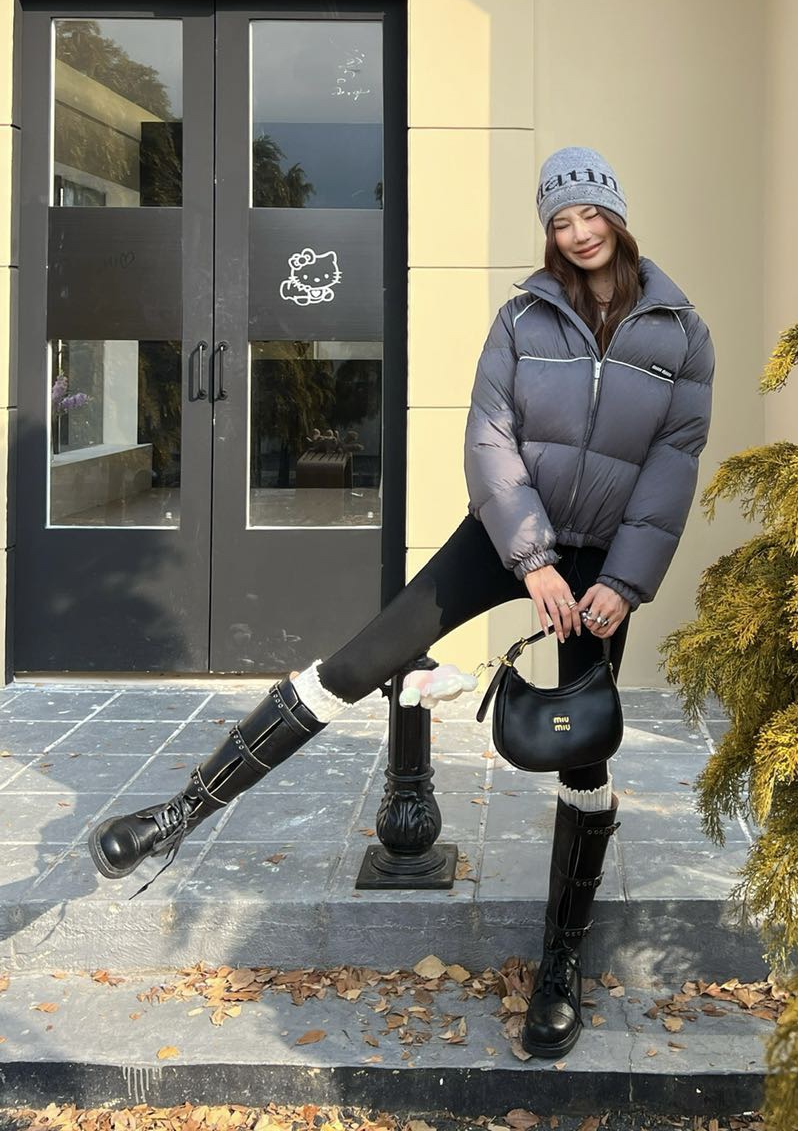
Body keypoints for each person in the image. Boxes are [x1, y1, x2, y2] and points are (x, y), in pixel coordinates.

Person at [86, 145, 715, 1060]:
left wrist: (619, 583)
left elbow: (671, 466)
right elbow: (490, 439)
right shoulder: (522, 317)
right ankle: (179, 814)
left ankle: (560, 966)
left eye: (590, 214)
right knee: (356, 662)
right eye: (560, 219)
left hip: (604, 565)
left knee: (585, 758)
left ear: (615, 215)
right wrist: (534, 560)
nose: (578, 232)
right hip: (504, 537)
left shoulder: (681, 332)